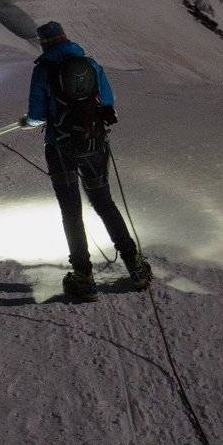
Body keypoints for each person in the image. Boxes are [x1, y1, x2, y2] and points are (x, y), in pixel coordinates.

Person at [20, 21, 151, 301]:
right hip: (94, 144)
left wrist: (28, 122)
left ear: (44, 43)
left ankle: (84, 276)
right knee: (104, 202)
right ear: (65, 38)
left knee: (71, 210)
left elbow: (37, 115)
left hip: (60, 148)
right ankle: (135, 266)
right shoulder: (90, 64)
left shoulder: (43, 69)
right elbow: (108, 101)